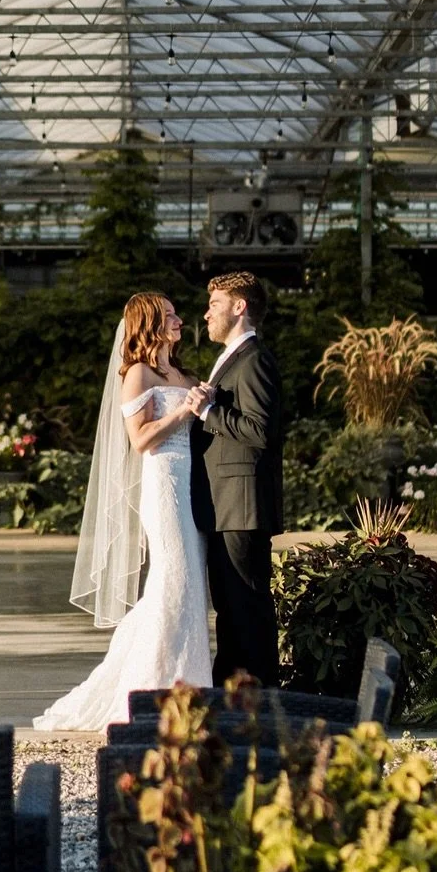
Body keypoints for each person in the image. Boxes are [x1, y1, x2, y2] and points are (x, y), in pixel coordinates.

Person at [32, 291, 212, 730]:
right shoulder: (138, 373)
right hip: (164, 483)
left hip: (192, 485)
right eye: (170, 315)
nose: (180, 321)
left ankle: (185, 686)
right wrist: (184, 411)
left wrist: (201, 400)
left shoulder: (180, 372)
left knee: (189, 582)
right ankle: (148, 690)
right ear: (148, 323)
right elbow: (140, 438)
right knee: (174, 579)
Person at [186, 271, 283, 685]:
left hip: (241, 505)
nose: (207, 313)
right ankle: (233, 695)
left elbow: (262, 431)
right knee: (231, 608)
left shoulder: (255, 360)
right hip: (225, 504)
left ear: (239, 307)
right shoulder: (232, 357)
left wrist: (208, 413)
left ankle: (259, 698)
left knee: (246, 607)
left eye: (215, 304)